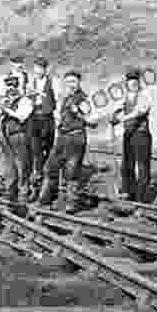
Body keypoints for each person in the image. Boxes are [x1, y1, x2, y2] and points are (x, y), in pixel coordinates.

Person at [37, 70, 99, 213]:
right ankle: (44, 199)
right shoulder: (66, 98)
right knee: (50, 167)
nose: (71, 85)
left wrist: (78, 113)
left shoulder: (82, 100)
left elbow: (93, 121)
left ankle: (72, 204)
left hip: (76, 138)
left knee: (71, 172)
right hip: (63, 137)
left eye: (73, 82)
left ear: (78, 83)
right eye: (68, 82)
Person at [110, 68, 153, 203]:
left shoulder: (144, 95)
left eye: (135, 82)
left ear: (139, 83)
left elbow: (140, 111)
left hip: (141, 135)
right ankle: (130, 195)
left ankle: (142, 200)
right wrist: (115, 117)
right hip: (128, 136)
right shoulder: (126, 98)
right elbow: (119, 112)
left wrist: (124, 118)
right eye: (130, 82)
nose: (132, 84)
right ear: (126, 84)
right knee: (127, 166)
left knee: (142, 167)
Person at [0, 74, 34, 202]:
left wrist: (6, 109)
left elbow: (22, 116)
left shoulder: (25, 101)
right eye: (9, 86)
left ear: (18, 87)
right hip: (6, 136)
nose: (11, 89)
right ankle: (10, 191)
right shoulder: (7, 100)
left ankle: (23, 192)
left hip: (19, 135)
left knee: (22, 164)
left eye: (14, 86)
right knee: (9, 165)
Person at [25, 56, 57, 201]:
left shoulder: (52, 82)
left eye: (42, 68)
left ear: (45, 69)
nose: (39, 71)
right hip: (34, 119)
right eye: (37, 68)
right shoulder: (31, 82)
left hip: (47, 119)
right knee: (36, 153)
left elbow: (57, 99)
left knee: (49, 153)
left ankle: (49, 189)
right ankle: (35, 188)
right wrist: (29, 95)